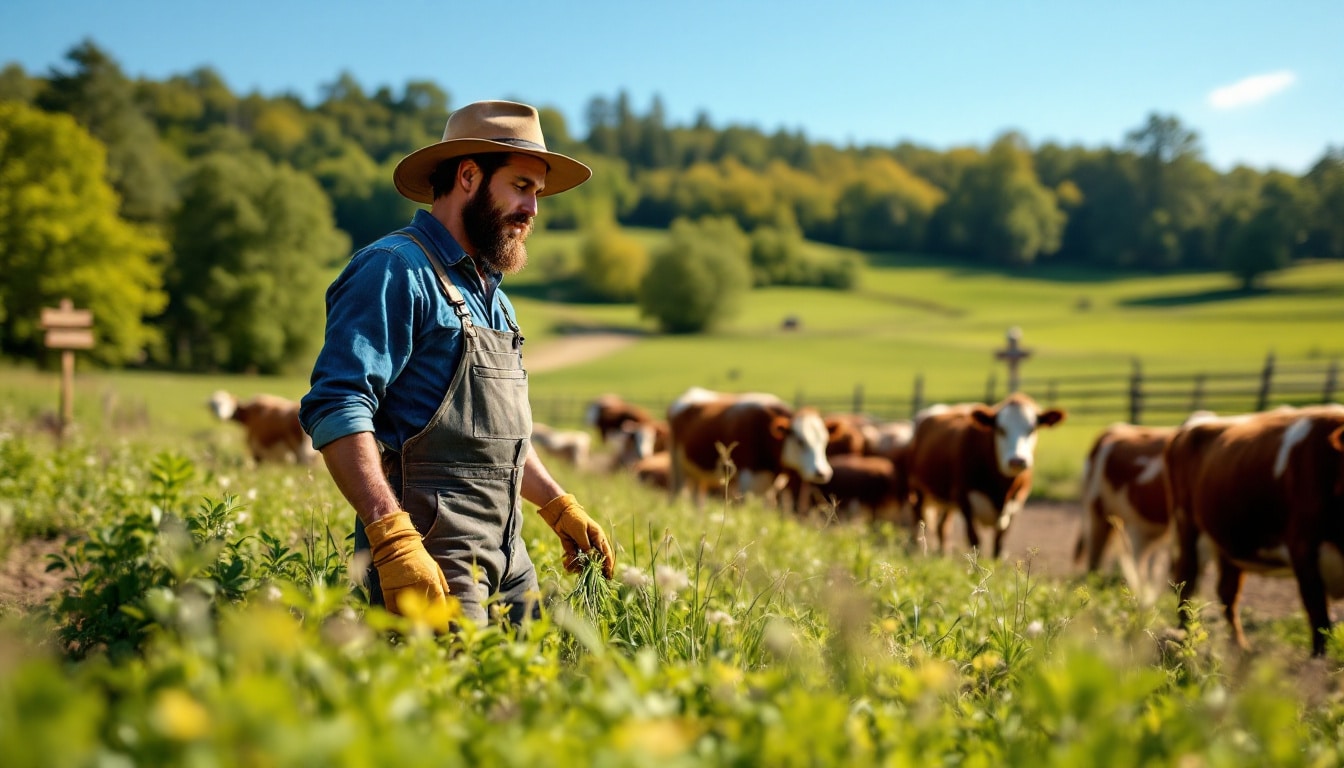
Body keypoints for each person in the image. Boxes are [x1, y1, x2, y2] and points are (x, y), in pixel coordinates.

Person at [300, 100, 616, 629]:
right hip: (433, 556)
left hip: (511, 555)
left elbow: (494, 433)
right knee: (452, 702)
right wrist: (390, 537)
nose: (533, 210)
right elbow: (338, 406)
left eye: (537, 193)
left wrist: (557, 505)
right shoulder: (394, 270)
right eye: (521, 186)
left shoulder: (493, 293)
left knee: (527, 698)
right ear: (468, 176)